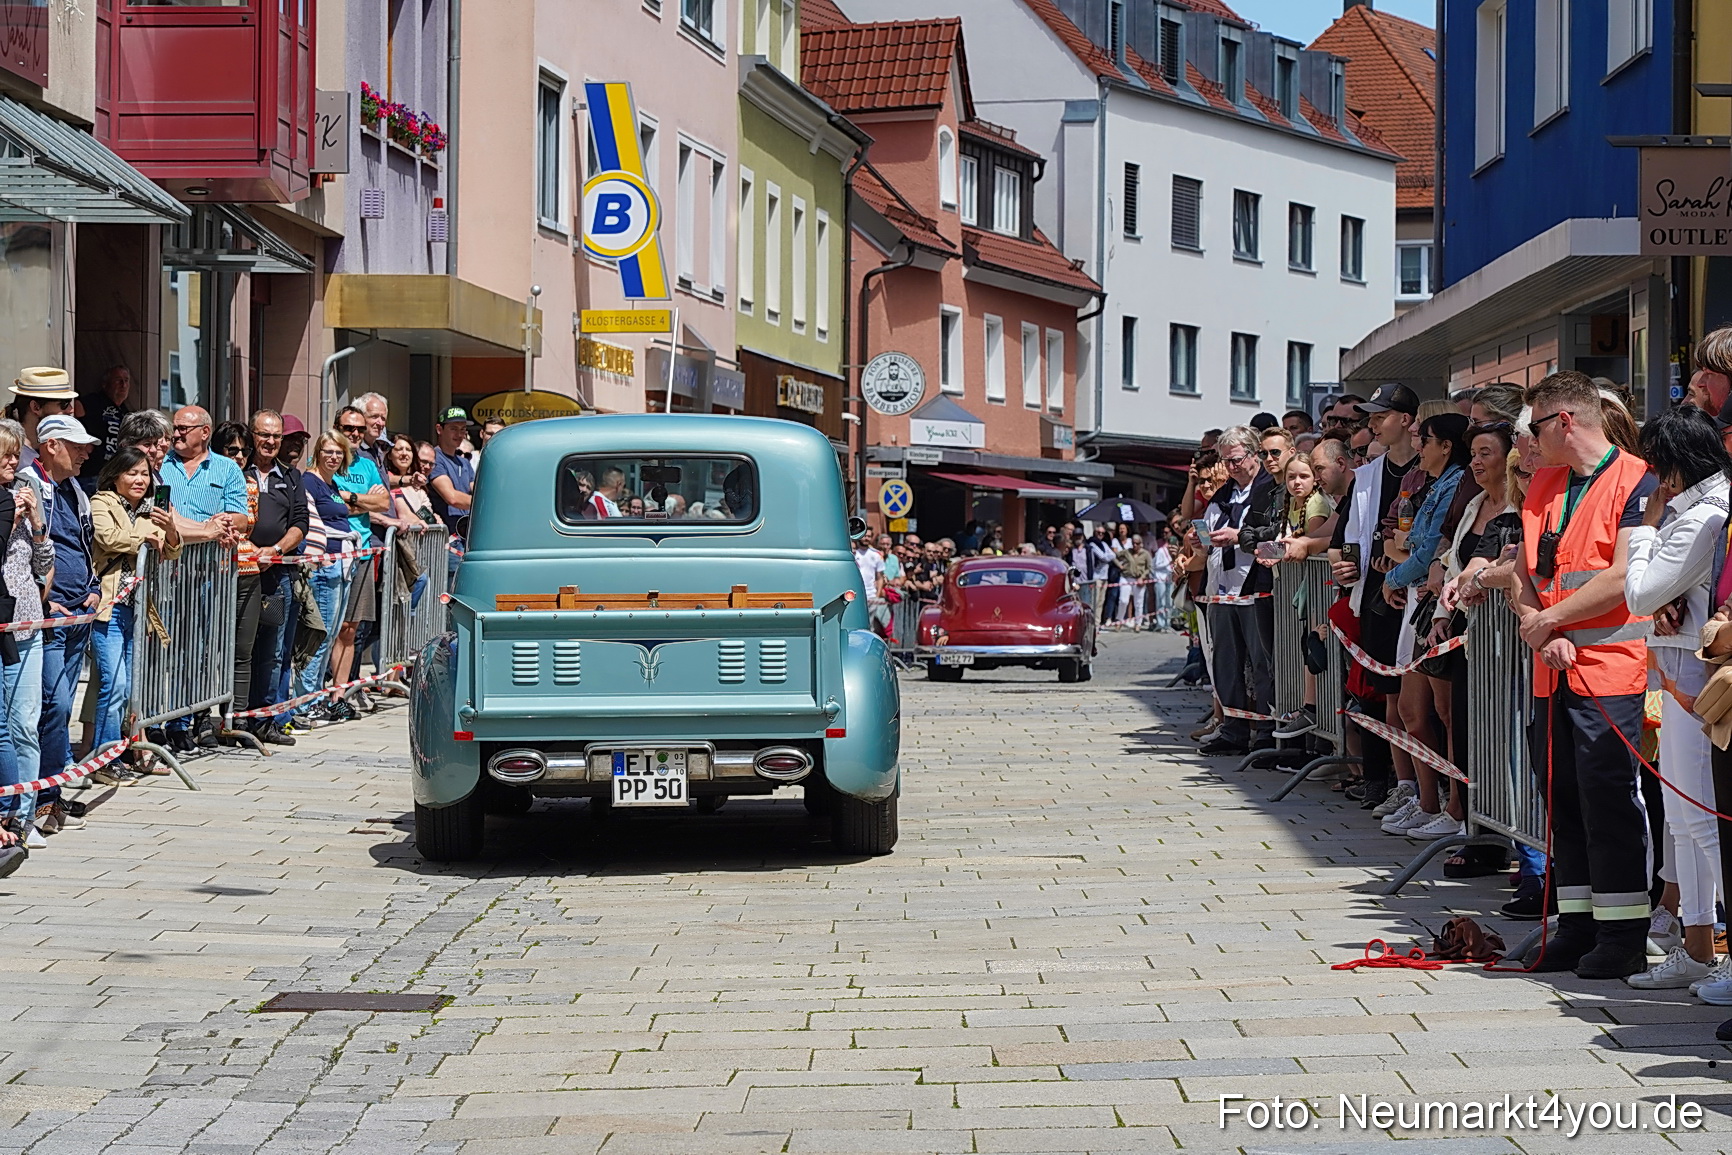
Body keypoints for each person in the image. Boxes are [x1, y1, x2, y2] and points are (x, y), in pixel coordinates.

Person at [1513, 371, 1659, 978]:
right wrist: (1538, 623)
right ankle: (1575, 925)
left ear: (1565, 421)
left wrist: (1546, 621)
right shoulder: (1545, 483)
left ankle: (1622, 933)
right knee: (1562, 796)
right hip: (1553, 666)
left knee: (1608, 799)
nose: (1530, 441)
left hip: (1610, 670)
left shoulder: (1637, 479)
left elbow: (1621, 574)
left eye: (1537, 427)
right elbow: (1523, 567)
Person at [1619, 407, 1730, 989]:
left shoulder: (1700, 516)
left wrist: (1642, 530)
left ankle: (1717, 947)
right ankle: (1697, 946)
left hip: (1698, 684)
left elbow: (1641, 593)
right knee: (1686, 820)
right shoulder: (1700, 511)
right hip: (1684, 677)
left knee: (1702, 820)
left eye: (1658, 467)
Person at [1378, 413, 1474, 840]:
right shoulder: (1433, 484)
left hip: (1434, 606)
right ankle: (1429, 801)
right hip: (1419, 604)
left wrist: (1391, 577)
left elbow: (1421, 551)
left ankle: (1451, 806)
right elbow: (1410, 544)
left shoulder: (1453, 483)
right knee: (1412, 710)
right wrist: (1404, 561)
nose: (1419, 447)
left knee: (1440, 712)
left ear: (1447, 446)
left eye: (1426, 439)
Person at [1329, 384, 1422, 812]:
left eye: (1380, 416)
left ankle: (1423, 788)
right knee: (1380, 693)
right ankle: (1382, 780)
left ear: (1405, 419)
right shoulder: (1367, 474)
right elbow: (1346, 535)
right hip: (1374, 595)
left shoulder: (1431, 468)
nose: (1372, 424)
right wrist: (1346, 567)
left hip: (1417, 596)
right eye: (1369, 417)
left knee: (1416, 700)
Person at [162, 405, 248, 747]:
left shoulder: (226, 468)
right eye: (175, 427)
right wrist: (206, 529)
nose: (177, 433)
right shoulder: (160, 465)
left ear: (205, 432)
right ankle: (157, 720)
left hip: (208, 574)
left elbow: (242, 518)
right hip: (165, 570)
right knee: (161, 649)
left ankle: (188, 720)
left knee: (197, 648)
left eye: (184, 428)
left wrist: (223, 523)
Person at [90, 447, 181, 761]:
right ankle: (103, 757)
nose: (140, 479)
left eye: (145, 473)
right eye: (132, 473)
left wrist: (168, 529)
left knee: (130, 689)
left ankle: (119, 752)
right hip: (109, 607)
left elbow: (171, 549)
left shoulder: (154, 506)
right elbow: (108, 537)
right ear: (116, 476)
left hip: (139, 608)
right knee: (113, 686)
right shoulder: (102, 501)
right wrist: (146, 538)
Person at [25, 416, 100, 775]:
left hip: (77, 613)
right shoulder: (30, 487)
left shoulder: (77, 491)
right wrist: (39, 596)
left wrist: (94, 588)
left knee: (63, 707)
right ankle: (41, 795)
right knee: (52, 705)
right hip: (48, 615)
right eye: (76, 445)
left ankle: (51, 791)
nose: (85, 453)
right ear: (51, 445)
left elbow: (86, 547)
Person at [1199, 426, 1279, 756]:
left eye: (1235, 460)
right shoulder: (1223, 496)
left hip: (1255, 585)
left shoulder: (1268, 490)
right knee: (1227, 661)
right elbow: (1206, 543)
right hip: (1221, 586)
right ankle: (1232, 727)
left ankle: (1265, 730)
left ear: (1252, 454)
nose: (1230, 467)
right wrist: (1198, 541)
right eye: (1225, 461)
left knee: (1263, 662)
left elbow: (1278, 538)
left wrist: (1240, 536)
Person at [244, 410, 308, 746]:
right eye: (264, 435)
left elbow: (300, 523)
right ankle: (236, 717)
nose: (270, 442)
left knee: (273, 649)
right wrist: (249, 549)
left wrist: (277, 551)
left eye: (276, 436)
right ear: (252, 435)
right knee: (241, 647)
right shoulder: (237, 471)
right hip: (240, 573)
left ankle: (265, 718)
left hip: (276, 575)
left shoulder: (292, 476)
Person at [294, 432, 360, 725]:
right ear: (317, 453)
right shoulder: (310, 481)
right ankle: (305, 701)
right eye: (328, 451)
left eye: (338, 453)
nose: (333, 457)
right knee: (318, 637)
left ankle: (317, 698)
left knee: (331, 636)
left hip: (341, 564)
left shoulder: (332, 485)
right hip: (324, 566)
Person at [8, 367, 75, 470]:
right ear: (36, 407)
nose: (71, 410)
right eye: (64, 404)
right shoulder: (8, 454)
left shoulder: (50, 449)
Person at [78, 365, 131, 487]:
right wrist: (83, 440)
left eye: (126, 380)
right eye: (118, 380)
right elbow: (73, 409)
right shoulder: (95, 401)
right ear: (105, 384)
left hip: (113, 476)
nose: (123, 384)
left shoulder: (125, 412)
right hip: (91, 473)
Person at [428, 407, 476, 529]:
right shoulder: (434, 459)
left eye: (463, 430)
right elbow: (452, 498)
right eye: (453, 429)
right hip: (444, 537)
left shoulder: (464, 462)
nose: (459, 435)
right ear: (439, 429)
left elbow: (477, 490)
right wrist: (485, 503)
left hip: (465, 534)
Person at [387, 435, 436, 524]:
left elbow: (428, 517)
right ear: (389, 455)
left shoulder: (420, 490)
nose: (404, 453)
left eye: (408, 450)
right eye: (399, 449)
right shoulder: (384, 479)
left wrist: (434, 520)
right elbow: (405, 516)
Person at [1114, 534, 1153, 630]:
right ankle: (1119, 620)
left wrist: (1143, 577)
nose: (1135, 545)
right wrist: (1119, 565)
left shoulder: (1146, 554)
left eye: (1137, 543)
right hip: (1126, 577)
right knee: (1123, 600)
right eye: (1133, 543)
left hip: (1138, 579)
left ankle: (1138, 623)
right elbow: (1115, 556)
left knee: (1138, 602)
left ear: (1141, 544)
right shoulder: (1127, 552)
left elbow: (1149, 568)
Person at [854, 533, 888, 636]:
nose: (866, 538)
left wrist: (877, 595)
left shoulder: (877, 555)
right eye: (864, 536)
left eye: (869, 536)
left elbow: (880, 577)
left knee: (870, 626)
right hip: (856, 595)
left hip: (871, 596)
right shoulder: (853, 553)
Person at [354, 392, 392, 473]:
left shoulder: (378, 450)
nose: (380, 423)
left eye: (383, 418)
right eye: (374, 416)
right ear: (360, 417)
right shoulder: (353, 451)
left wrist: (403, 480)